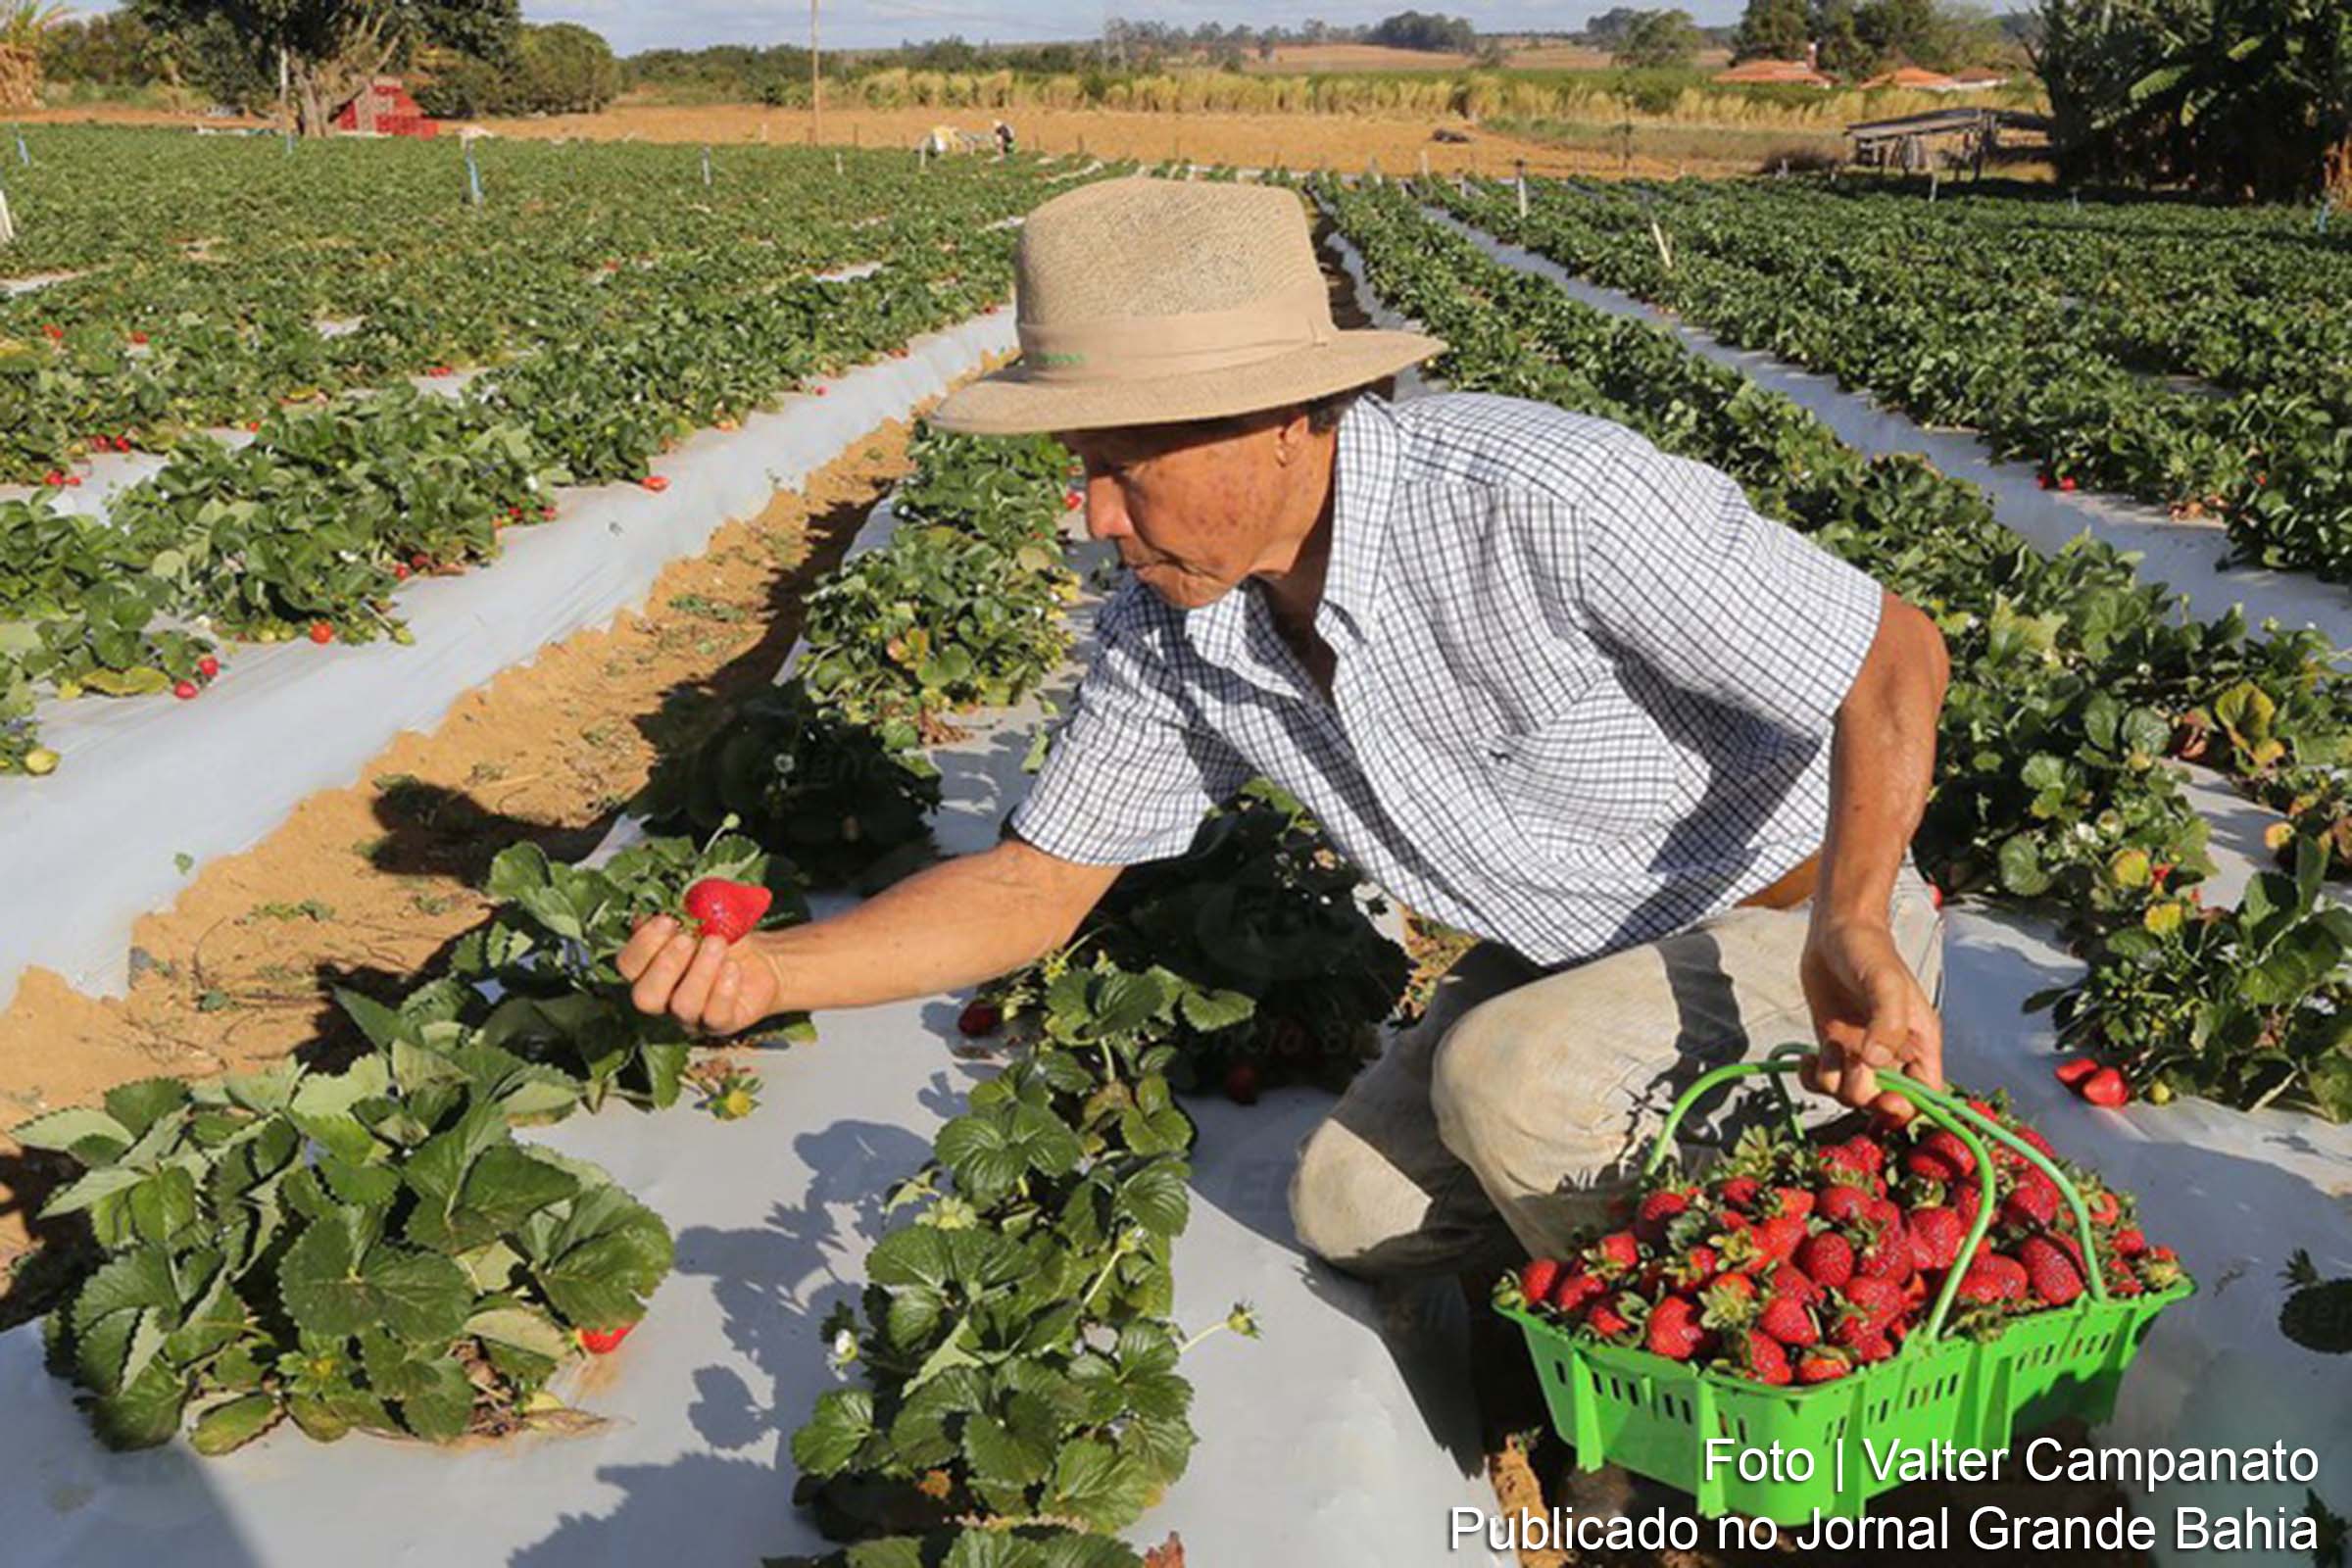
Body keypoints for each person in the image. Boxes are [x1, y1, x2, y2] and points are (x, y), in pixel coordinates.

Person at [618, 177, 1950, 1279]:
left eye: (1125, 466)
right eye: (1078, 468)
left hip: (1791, 926)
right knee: (1349, 1210)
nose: (1092, 515)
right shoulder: (1178, 627)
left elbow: (1893, 656)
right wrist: (773, 975)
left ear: (1288, 420)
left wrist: (1853, 921)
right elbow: (1034, 886)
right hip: (1576, 955)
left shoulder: (1539, 496)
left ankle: (1747, 1388)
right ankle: (1618, 1275)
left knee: (1511, 1081)